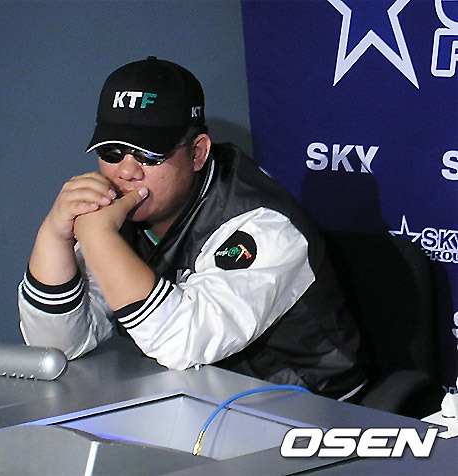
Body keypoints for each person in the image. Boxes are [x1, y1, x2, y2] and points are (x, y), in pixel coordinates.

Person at [19, 56, 367, 400]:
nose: (126, 172)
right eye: (112, 152)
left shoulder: (264, 224)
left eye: (149, 155)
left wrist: (99, 238)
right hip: (201, 398)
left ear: (198, 153)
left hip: (311, 408)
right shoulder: (118, 215)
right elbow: (57, 346)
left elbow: (182, 342)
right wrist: (54, 235)